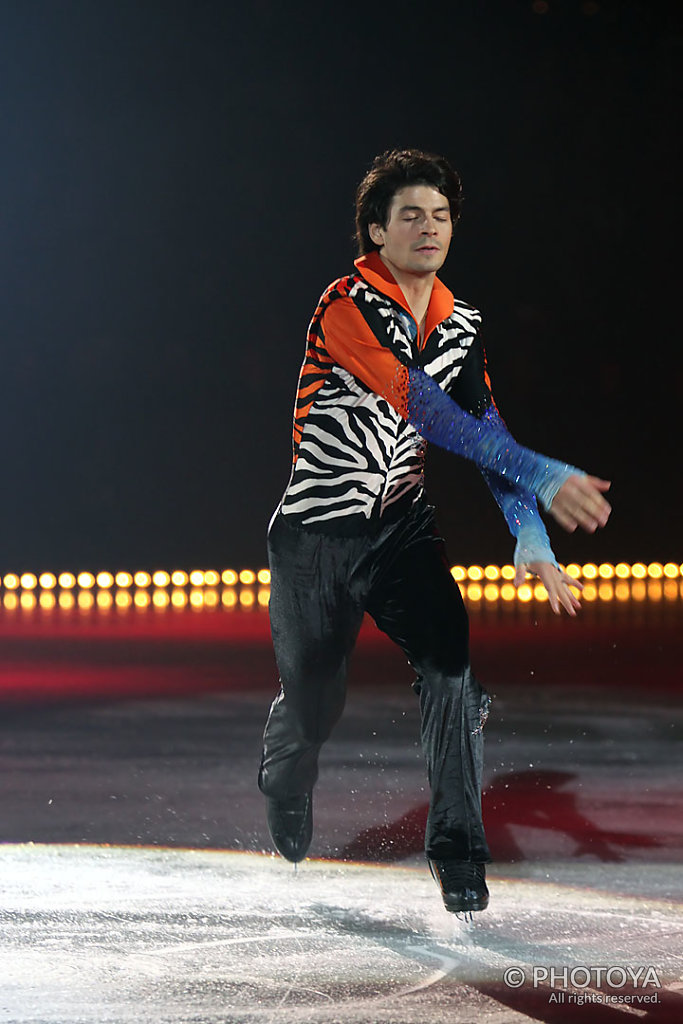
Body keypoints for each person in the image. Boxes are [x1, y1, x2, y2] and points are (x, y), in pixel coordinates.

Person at [257, 149, 611, 914]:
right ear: (376, 232)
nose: (428, 227)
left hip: (400, 530)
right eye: (410, 215)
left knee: (451, 671)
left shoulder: (459, 324)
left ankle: (457, 852)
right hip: (316, 536)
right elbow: (425, 410)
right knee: (313, 699)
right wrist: (547, 473)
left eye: (440, 215)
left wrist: (531, 533)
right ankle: (287, 769)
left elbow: (486, 429)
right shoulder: (344, 306)